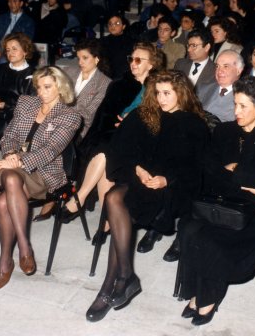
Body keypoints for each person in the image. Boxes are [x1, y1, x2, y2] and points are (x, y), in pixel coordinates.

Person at [86, 69, 209, 322]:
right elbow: (121, 149)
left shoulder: (193, 124)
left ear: (181, 93)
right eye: (158, 93)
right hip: (139, 178)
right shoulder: (143, 115)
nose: (162, 99)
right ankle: (122, 279)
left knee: (119, 204)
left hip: (171, 188)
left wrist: (166, 179)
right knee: (112, 198)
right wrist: (139, 170)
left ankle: (114, 286)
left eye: (167, 93)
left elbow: (195, 167)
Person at [178, 76, 255, 326]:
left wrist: (233, 170)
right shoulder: (225, 131)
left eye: (243, 106)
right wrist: (245, 179)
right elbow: (208, 170)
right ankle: (195, 291)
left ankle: (208, 297)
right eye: (235, 105)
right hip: (221, 201)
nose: (236, 112)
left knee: (211, 239)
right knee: (187, 228)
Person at [0, 66, 81, 290]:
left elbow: (51, 150)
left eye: (47, 87)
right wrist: (11, 155)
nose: (41, 92)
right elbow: (8, 135)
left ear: (60, 87)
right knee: (10, 178)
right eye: (39, 87)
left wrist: (17, 161)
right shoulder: (26, 103)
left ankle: (6, 261)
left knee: (3, 201)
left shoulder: (70, 115)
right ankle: (24, 248)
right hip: (13, 165)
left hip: (44, 171)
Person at [59, 43, 164, 228]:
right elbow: (104, 116)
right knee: (105, 150)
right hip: (112, 135)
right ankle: (106, 220)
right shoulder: (119, 85)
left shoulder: (159, 88)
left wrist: (131, 124)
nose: (133, 63)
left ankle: (80, 199)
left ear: (152, 64)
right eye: (131, 59)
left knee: (107, 149)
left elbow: (158, 122)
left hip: (142, 141)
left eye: (139, 60)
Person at [34, 40, 112, 221]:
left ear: (97, 59)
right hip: (52, 119)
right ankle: (45, 188)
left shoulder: (104, 83)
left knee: (54, 142)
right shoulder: (69, 72)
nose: (80, 62)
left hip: (80, 127)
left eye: (85, 58)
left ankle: (53, 195)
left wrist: (62, 109)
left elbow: (89, 114)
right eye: (78, 58)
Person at [0, 33, 36, 185]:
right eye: (8, 50)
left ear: (25, 51)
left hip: (14, 118)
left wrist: (5, 105)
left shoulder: (33, 74)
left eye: (14, 49)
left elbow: (29, 105)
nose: (10, 53)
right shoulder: (0, 69)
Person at [197, 50, 245, 122]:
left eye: (226, 66)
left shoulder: (245, 97)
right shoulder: (202, 89)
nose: (219, 71)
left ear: (238, 70)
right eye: (217, 66)